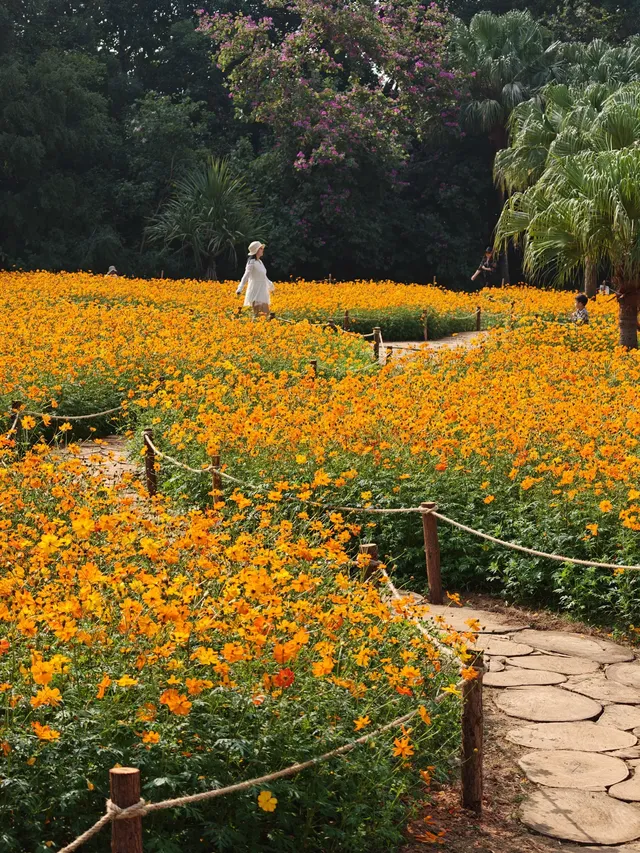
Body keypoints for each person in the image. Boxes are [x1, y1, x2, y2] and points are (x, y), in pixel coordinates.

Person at [236, 241, 273, 317]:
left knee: (266, 314)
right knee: (258, 315)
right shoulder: (251, 262)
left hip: (262, 290)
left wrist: (270, 284)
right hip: (255, 289)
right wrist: (240, 288)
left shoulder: (260, 262)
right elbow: (246, 275)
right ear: (256, 250)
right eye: (261, 248)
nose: (263, 250)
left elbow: (263, 276)